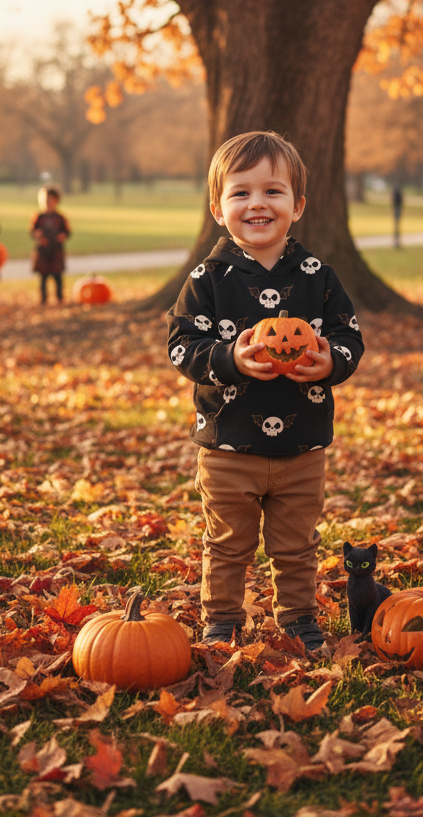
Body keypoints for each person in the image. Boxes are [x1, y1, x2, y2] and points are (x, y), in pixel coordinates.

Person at [166, 131, 364, 652]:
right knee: (228, 544)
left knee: (297, 544)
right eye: (241, 192)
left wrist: (329, 361)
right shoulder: (208, 278)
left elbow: (349, 335)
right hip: (228, 443)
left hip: (303, 444)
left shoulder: (317, 276)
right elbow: (182, 345)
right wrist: (229, 359)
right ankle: (223, 619)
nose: (257, 203)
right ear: (218, 207)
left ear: (297, 206)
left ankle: (298, 618)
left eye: (273, 192)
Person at [30, 185, 71, 305]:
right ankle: (43, 299)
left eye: (51, 200)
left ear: (56, 201)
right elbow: (32, 230)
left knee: (58, 276)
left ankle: (59, 298)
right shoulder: (38, 217)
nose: (48, 203)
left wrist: (62, 236)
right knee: (43, 277)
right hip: (43, 250)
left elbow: (67, 231)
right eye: (46, 200)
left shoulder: (60, 218)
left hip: (56, 250)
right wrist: (37, 234)